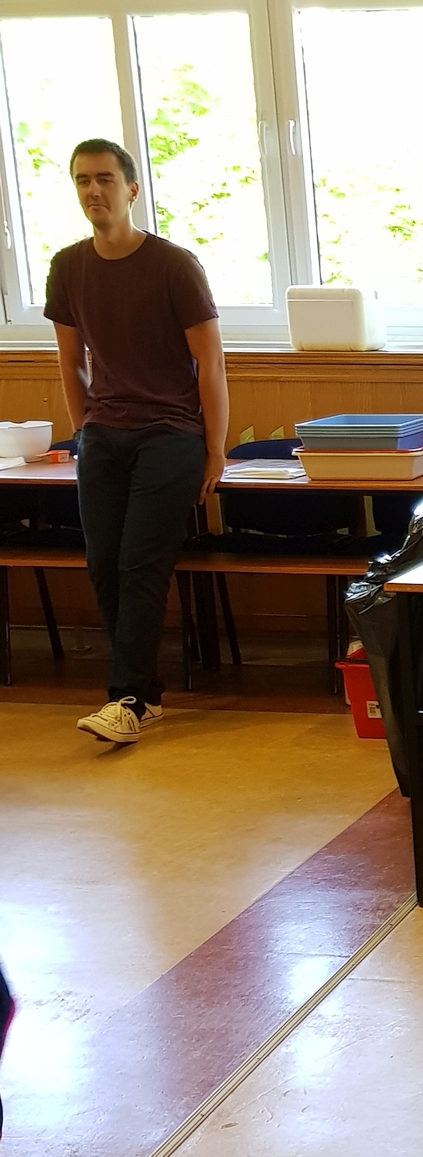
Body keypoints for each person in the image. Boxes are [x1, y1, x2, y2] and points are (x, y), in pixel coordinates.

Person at [45, 138, 228, 745]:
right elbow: (70, 360)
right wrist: (84, 430)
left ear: (131, 189)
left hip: (171, 435)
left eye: (104, 179)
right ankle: (142, 696)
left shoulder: (174, 265)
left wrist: (215, 448)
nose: (92, 190)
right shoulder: (68, 266)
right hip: (104, 436)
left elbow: (211, 363)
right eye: (82, 180)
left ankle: (125, 699)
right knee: (104, 565)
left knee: (141, 564)